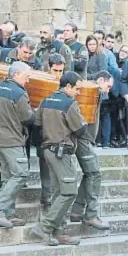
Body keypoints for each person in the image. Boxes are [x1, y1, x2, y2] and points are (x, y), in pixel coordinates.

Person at [31, 71, 87, 246]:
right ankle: (45, 227)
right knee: (69, 191)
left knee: (58, 192)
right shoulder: (69, 104)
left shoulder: (46, 101)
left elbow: (37, 125)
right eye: (77, 89)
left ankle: (59, 230)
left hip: (48, 149)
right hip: (61, 151)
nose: (78, 92)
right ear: (68, 86)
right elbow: (80, 130)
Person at [0, 61, 34, 228]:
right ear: (17, 74)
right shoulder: (19, 93)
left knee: (8, 177)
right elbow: (26, 117)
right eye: (27, 77)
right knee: (21, 174)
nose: (28, 81)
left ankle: (7, 214)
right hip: (12, 139)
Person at [70, 70, 113, 230]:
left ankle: (77, 210)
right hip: (83, 139)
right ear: (100, 80)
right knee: (94, 174)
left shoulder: (95, 93)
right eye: (107, 86)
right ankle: (91, 215)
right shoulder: (89, 90)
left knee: (90, 174)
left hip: (86, 139)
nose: (108, 90)